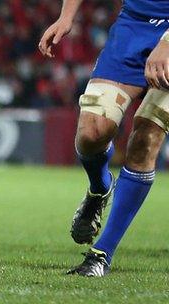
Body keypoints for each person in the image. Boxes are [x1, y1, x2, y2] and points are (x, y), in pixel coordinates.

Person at [39, 0, 169, 276]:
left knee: (147, 135)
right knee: (92, 132)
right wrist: (66, 17)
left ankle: (102, 252)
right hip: (133, 27)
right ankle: (99, 188)